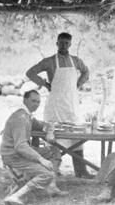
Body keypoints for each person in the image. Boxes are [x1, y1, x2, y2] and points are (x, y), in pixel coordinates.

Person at [26, 32, 94, 179]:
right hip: (55, 105)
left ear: (70, 44)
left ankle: (81, 170)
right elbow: (30, 72)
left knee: (77, 136)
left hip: (71, 105)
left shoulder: (75, 61)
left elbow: (86, 72)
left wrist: (78, 83)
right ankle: (53, 168)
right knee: (53, 136)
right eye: (61, 42)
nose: (63, 45)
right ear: (56, 43)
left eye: (66, 43)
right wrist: (44, 83)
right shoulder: (49, 61)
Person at [0, 90, 68, 205]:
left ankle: (51, 186)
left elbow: (44, 125)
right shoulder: (20, 118)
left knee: (54, 151)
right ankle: (15, 196)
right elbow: (20, 146)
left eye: (38, 102)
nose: (36, 104)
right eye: (33, 101)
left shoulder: (27, 116)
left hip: (17, 153)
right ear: (25, 100)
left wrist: (50, 130)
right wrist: (41, 159)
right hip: (13, 155)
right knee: (47, 174)